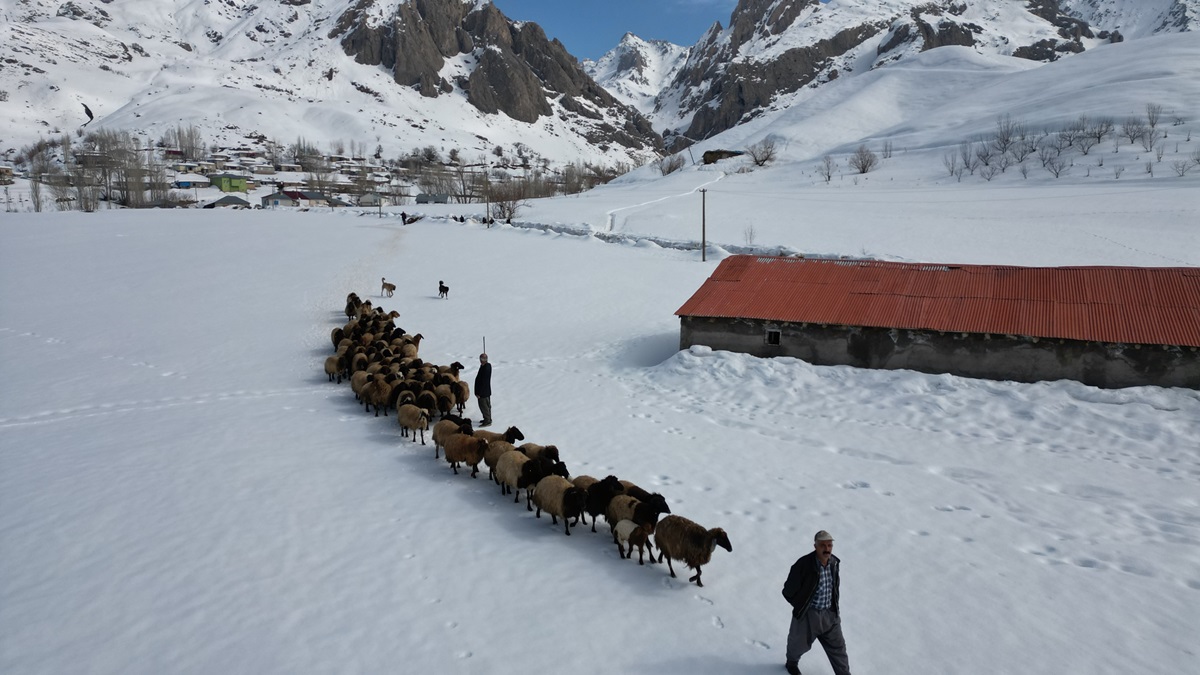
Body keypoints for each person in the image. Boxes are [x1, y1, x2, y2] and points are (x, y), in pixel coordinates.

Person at [781, 530, 851, 675]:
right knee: (797, 645)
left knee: (839, 649)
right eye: (822, 545)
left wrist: (834, 610)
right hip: (808, 615)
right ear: (815, 546)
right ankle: (791, 664)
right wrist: (802, 605)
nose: (827, 549)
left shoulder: (834, 563)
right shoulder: (803, 565)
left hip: (830, 615)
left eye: (829, 545)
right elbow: (787, 591)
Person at [474, 352, 492, 427]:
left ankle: (487, 421)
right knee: (487, 406)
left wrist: (479, 393)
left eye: (483, 359)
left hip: (483, 392)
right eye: (481, 359)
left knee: (484, 406)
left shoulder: (486, 368)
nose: (481, 360)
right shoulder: (486, 366)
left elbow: (483, 382)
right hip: (486, 391)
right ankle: (487, 418)